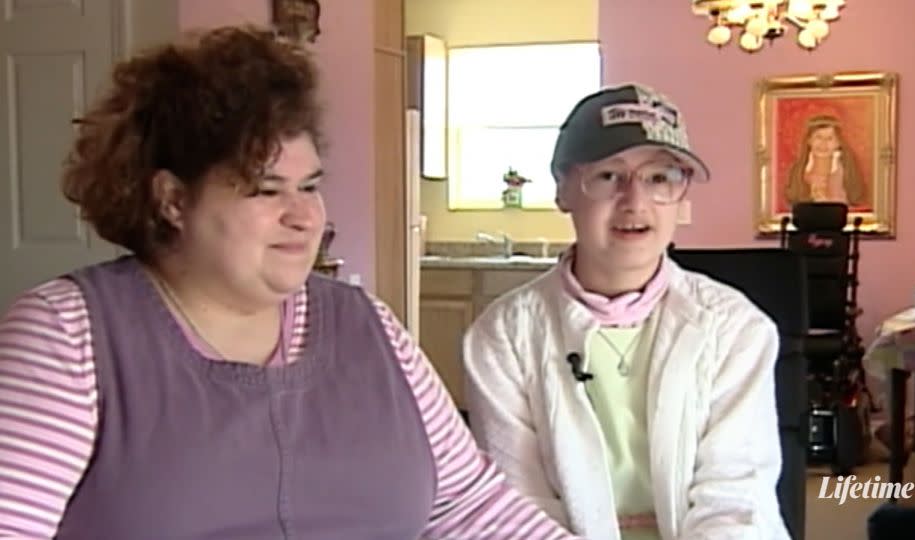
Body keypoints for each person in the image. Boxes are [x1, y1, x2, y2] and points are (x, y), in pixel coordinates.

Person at [0, 26, 581, 540]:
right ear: (173, 199)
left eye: (309, 187)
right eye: (266, 189)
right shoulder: (69, 337)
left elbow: (470, 507)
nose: (305, 217)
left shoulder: (369, 325)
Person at [462, 84, 790, 540]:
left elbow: (735, 501)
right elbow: (520, 509)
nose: (635, 201)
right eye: (608, 177)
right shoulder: (503, 337)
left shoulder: (736, 328)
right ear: (563, 189)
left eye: (660, 179)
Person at [784, 114, 865, 207]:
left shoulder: (845, 168)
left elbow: (855, 196)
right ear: (809, 140)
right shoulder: (799, 169)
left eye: (829, 138)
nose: (823, 143)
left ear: (838, 142)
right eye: (818, 137)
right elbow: (793, 197)